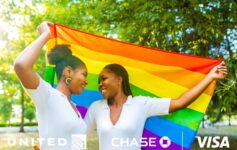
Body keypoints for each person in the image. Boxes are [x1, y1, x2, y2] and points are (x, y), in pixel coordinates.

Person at [85, 63, 227, 150]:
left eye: (103, 78)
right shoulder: (96, 107)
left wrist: (210, 77)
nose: (100, 84)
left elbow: (180, 102)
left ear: (119, 79)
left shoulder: (140, 104)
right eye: (98, 81)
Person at [14, 22, 88, 150]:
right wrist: (46, 34)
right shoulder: (48, 95)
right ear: (68, 72)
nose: (86, 81)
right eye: (84, 74)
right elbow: (21, 65)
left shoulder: (75, 108)